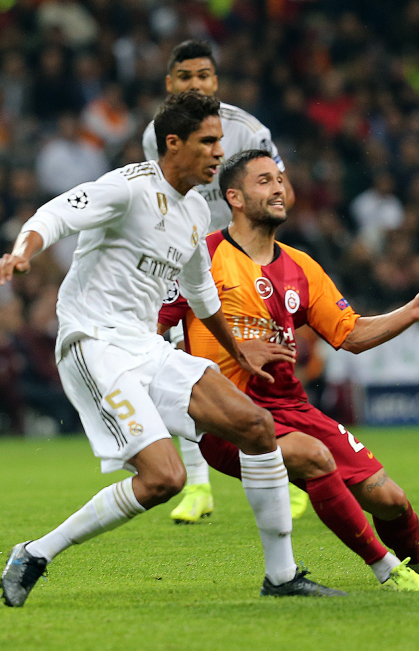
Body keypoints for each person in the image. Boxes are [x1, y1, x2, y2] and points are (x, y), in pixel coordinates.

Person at [0, 93, 344, 607]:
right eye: (208, 141)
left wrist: (237, 350)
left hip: (145, 346)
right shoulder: (128, 188)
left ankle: (282, 575)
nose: (219, 152)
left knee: (256, 426)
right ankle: (35, 553)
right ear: (173, 144)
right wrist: (22, 252)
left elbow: (201, 293)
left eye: (220, 141)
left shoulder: (196, 208)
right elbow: (56, 214)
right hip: (95, 343)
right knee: (165, 479)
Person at [158, 149, 419, 590]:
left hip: (291, 406)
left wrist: (410, 311)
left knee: (388, 498)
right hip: (227, 415)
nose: (278, 188)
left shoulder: (302, 266)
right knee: (313, 457)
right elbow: (148, 332)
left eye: (280, 179)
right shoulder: (203, 257)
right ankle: (387, 571)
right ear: (234, 197)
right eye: (264, 181)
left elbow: (350, 335)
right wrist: (224, 355)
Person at [141, 38, 305, 524]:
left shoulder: (247, 130)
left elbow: (282, 192)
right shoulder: (157, 134)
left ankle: (292, 470)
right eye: (185, 76)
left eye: (203, 75)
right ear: (169, 83)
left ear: (216, 81)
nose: (195, 83)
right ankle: (198, 485)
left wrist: (256, 243)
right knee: (179, 361)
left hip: (238, 259)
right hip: (185, 258)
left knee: (262, 366)